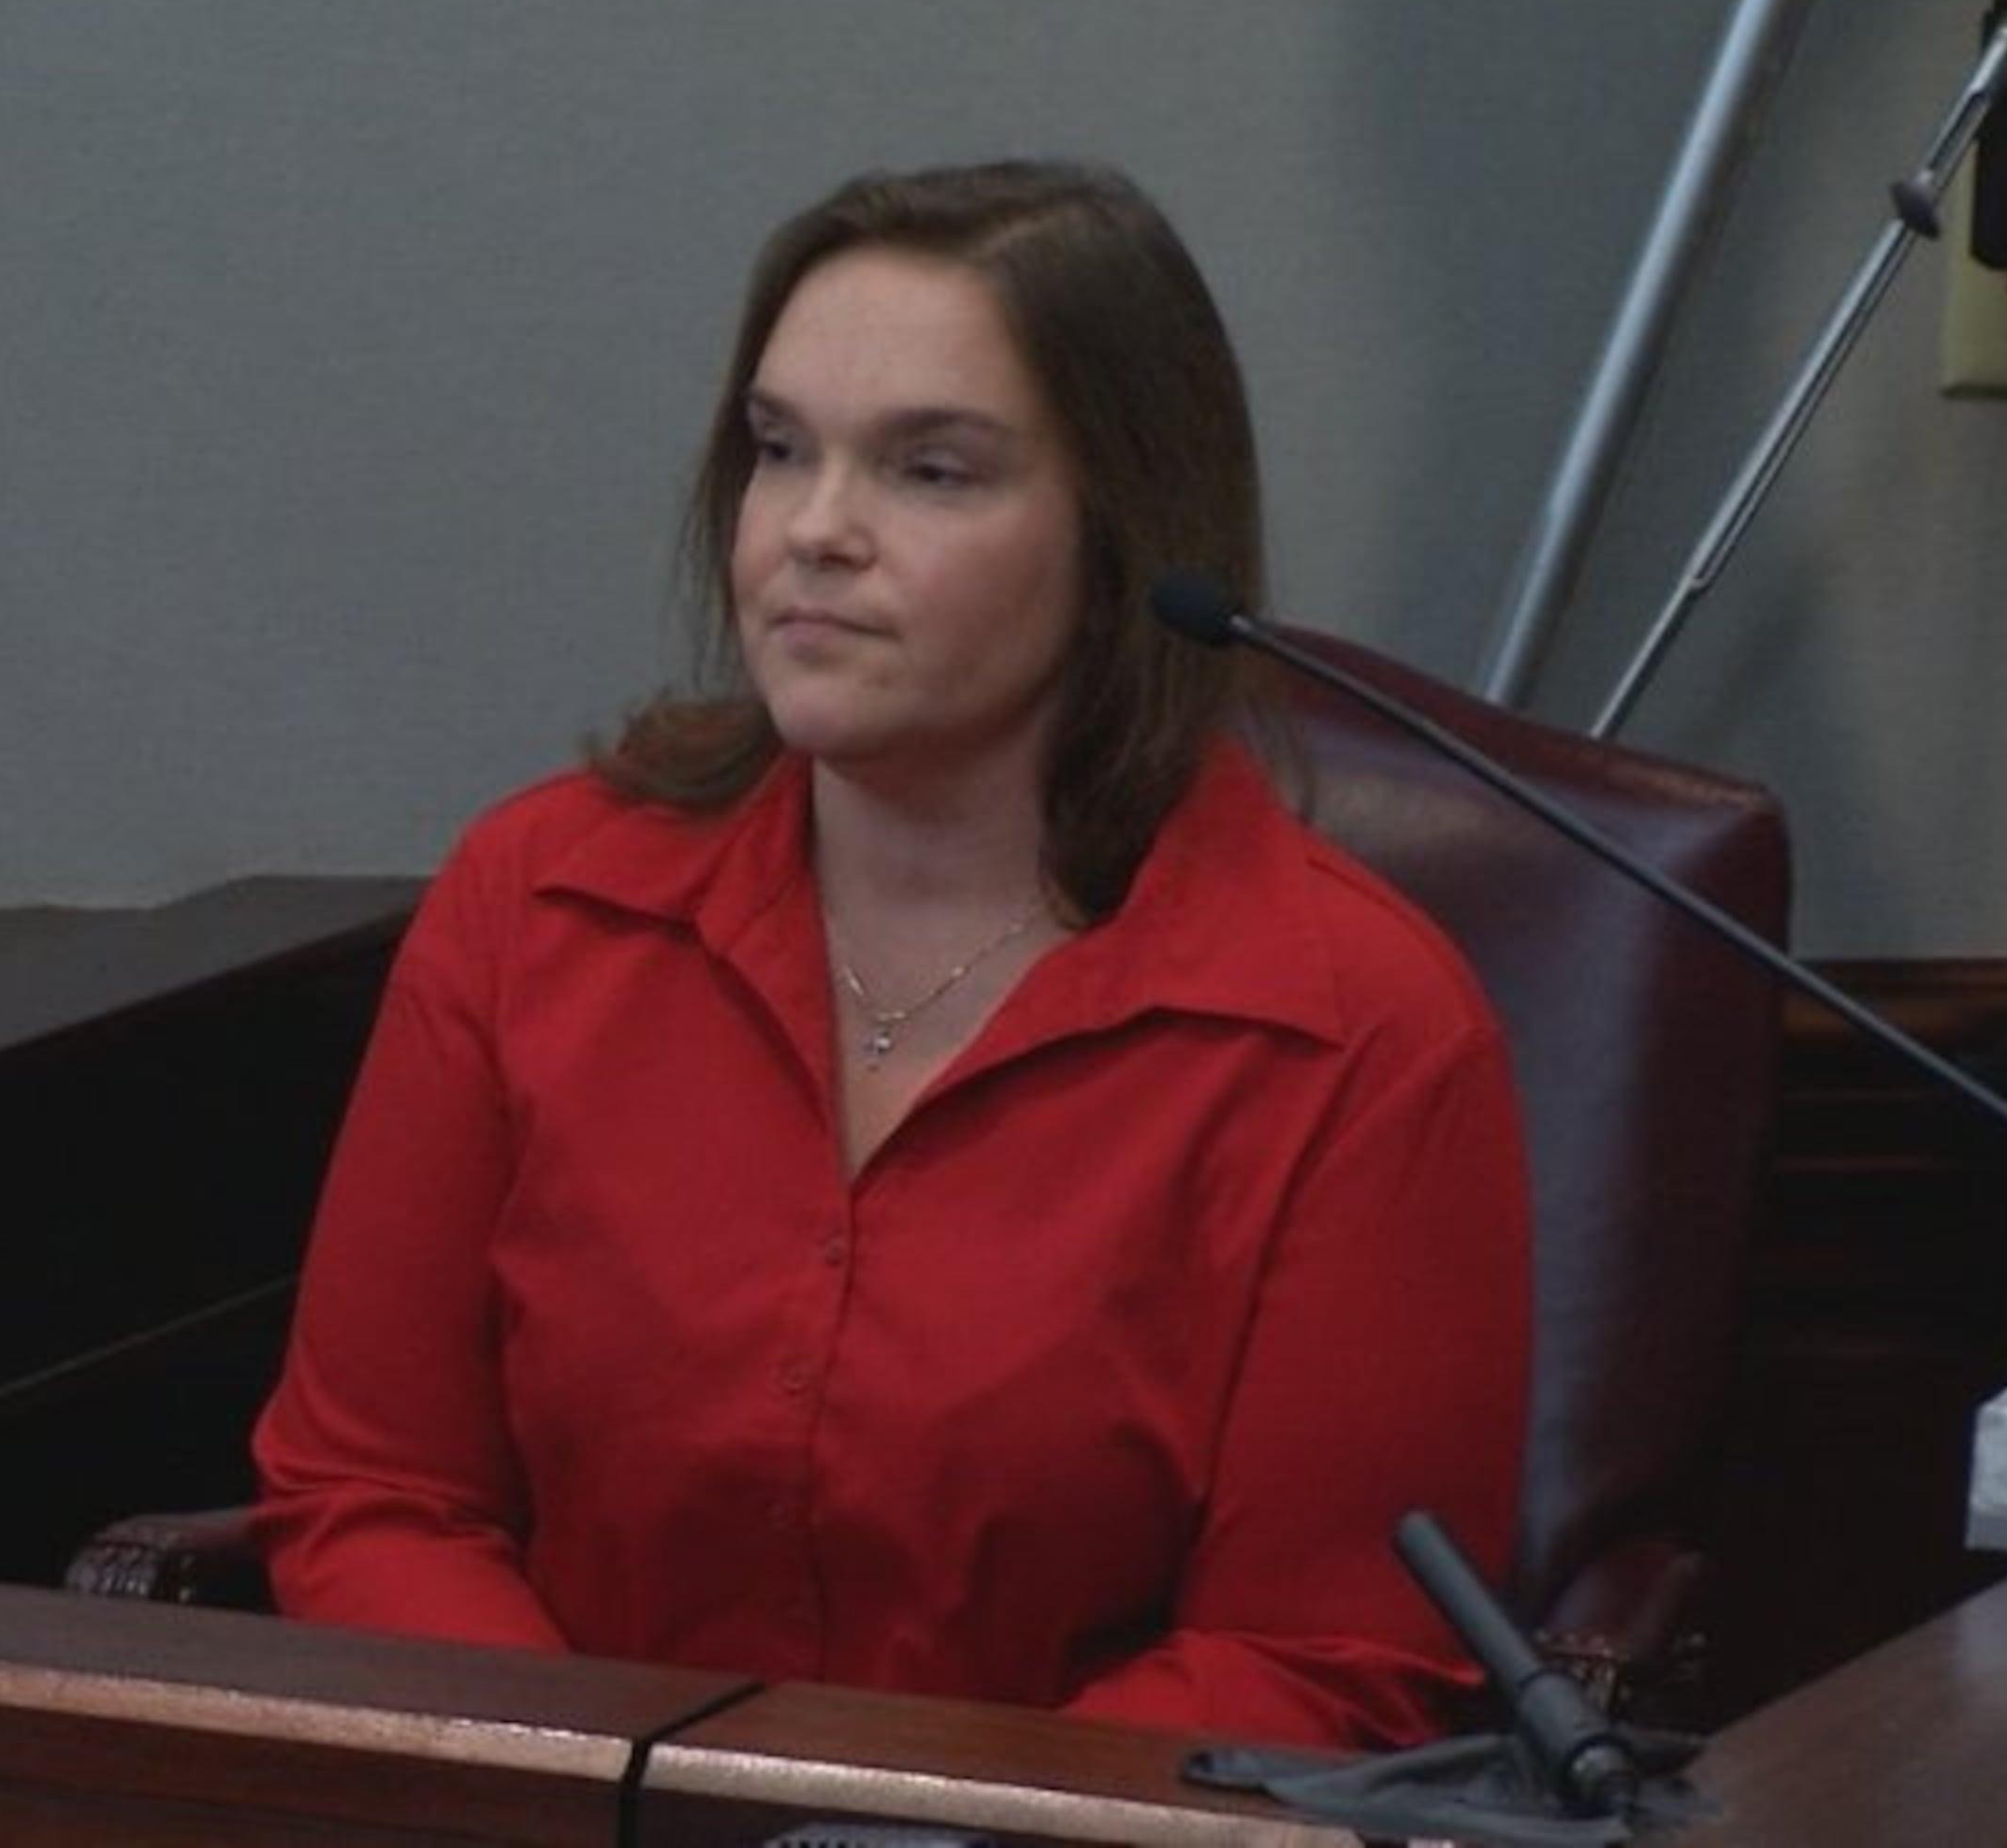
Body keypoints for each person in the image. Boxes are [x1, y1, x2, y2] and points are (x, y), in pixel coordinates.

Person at [248, 159, 1530, 1751]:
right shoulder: (538, 898)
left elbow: (1317, 1662)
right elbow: (373, 1495)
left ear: (1126, 537)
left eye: (931, 471)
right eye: (780, 452)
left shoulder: (1357, 1028)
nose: (814, 533)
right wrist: (594, 1800)